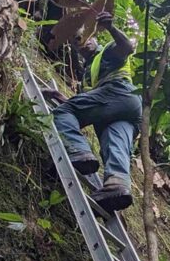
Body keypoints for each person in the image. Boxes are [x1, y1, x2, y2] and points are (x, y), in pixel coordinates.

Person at [44, 11, 141, 212]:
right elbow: (86, 105)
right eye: (76, 41)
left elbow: (127, 47)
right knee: (115, 143)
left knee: (62, 113)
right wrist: (59, 95)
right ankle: (117, 184)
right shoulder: (88, 73)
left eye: (84, 36)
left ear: (94, 36)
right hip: (126, 110)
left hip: (118, 92)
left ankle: (78, 151)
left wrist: (111, 28)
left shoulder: (106, 52)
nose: (81, 42)